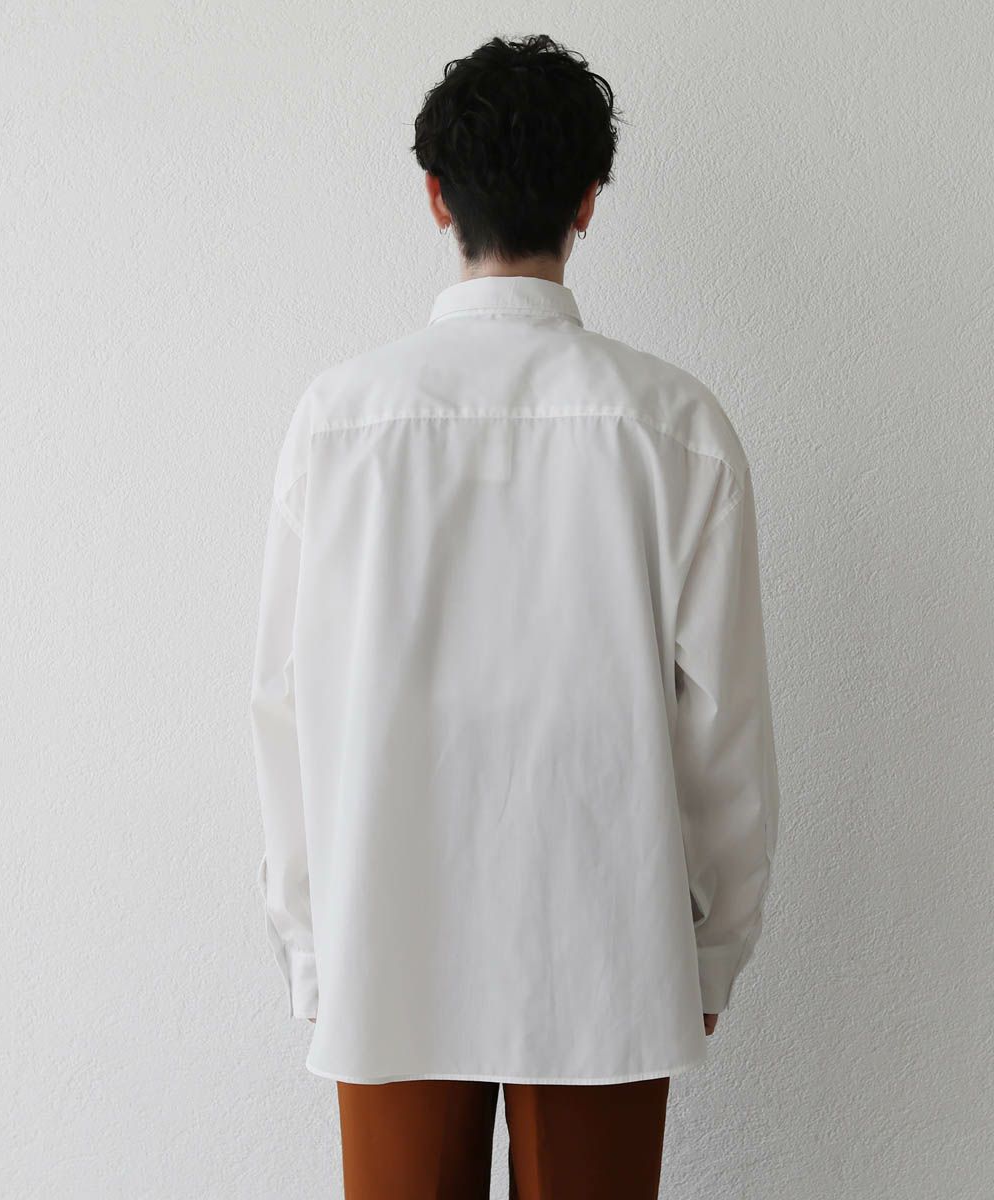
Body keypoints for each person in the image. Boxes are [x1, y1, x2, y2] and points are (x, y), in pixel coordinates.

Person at [250, 33, 780, 1199]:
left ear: (436, 195)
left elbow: (284, 708)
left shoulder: (337, 423)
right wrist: (710, 947)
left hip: (387, 933)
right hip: (606, 940)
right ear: (588, 201)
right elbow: (724, 727)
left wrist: (312, 947)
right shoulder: (677, 429)